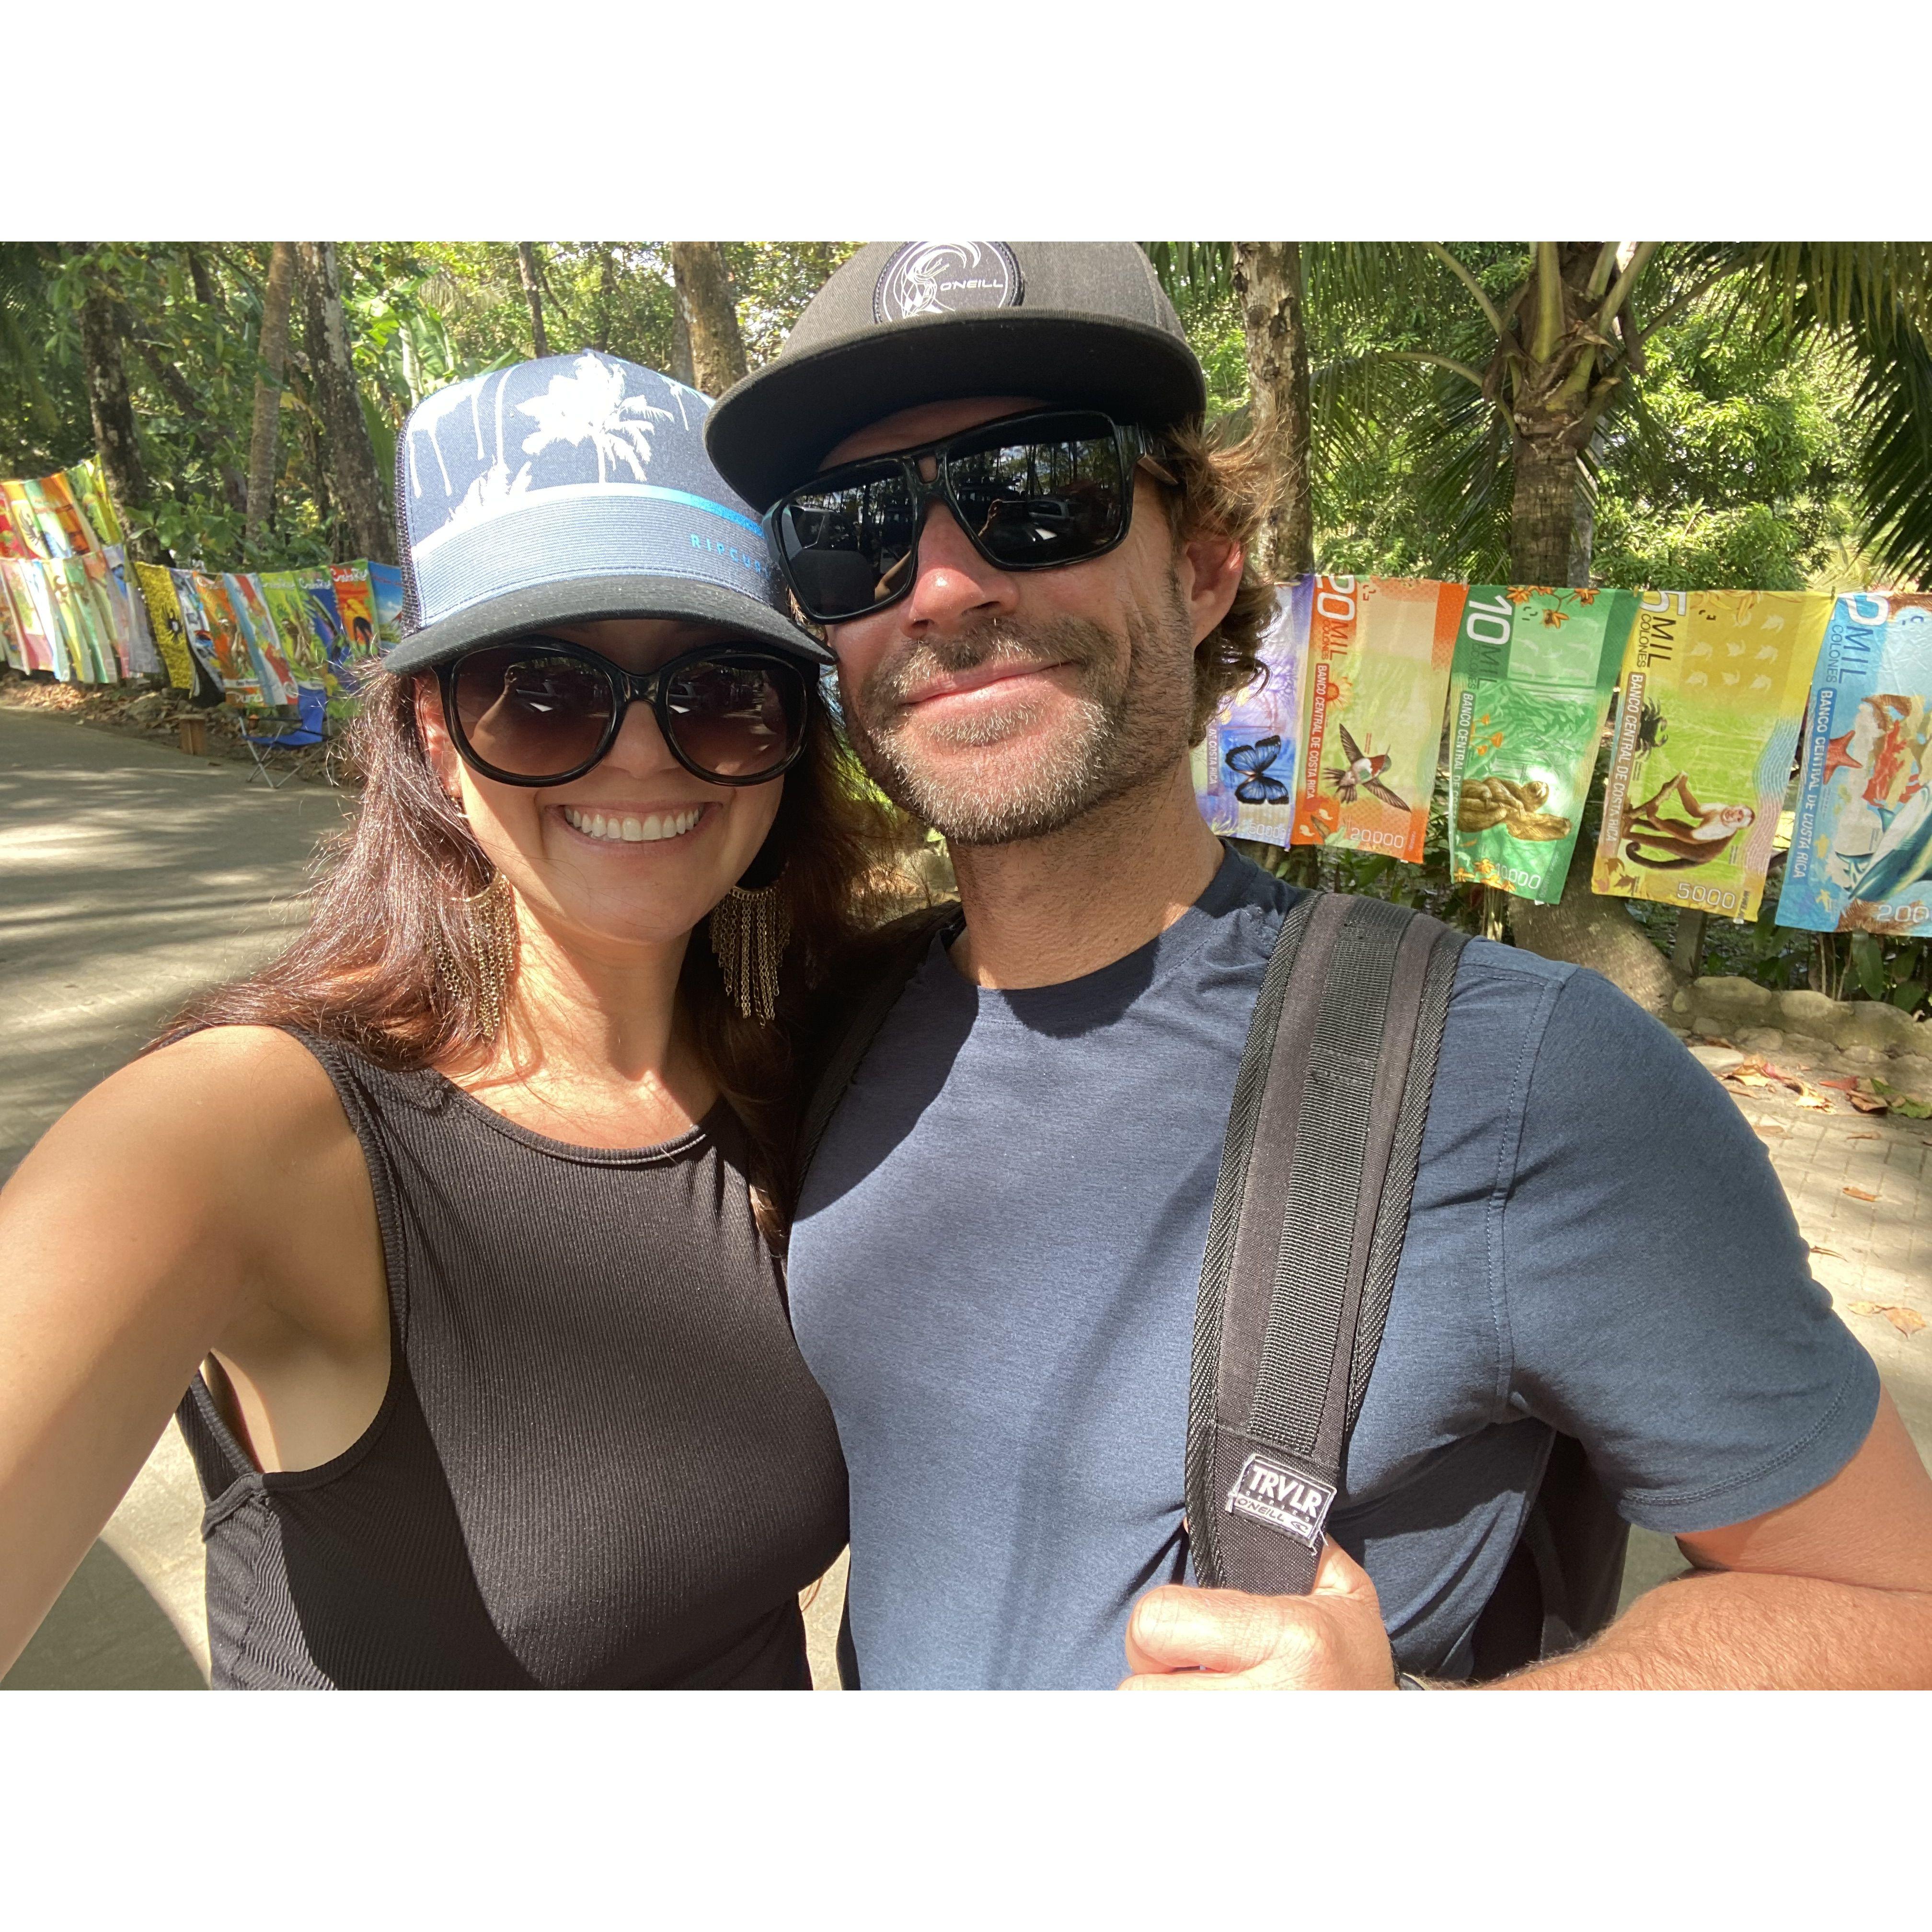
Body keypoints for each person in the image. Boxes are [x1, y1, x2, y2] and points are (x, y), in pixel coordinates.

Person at [702, 241, 1932, 1690]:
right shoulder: (839, 1024)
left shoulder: (1532, 1076)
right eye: (856, 532)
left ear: (1208, 564)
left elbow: (1890, 1603)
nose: (947, 586)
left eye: (1042, 490)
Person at [0, 351, 898, 1689]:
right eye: (543, 691)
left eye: (718, 688)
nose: (641, 753)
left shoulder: (823, 1064)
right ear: (432, 730)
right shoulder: (235, 1132)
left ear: (788, 735)